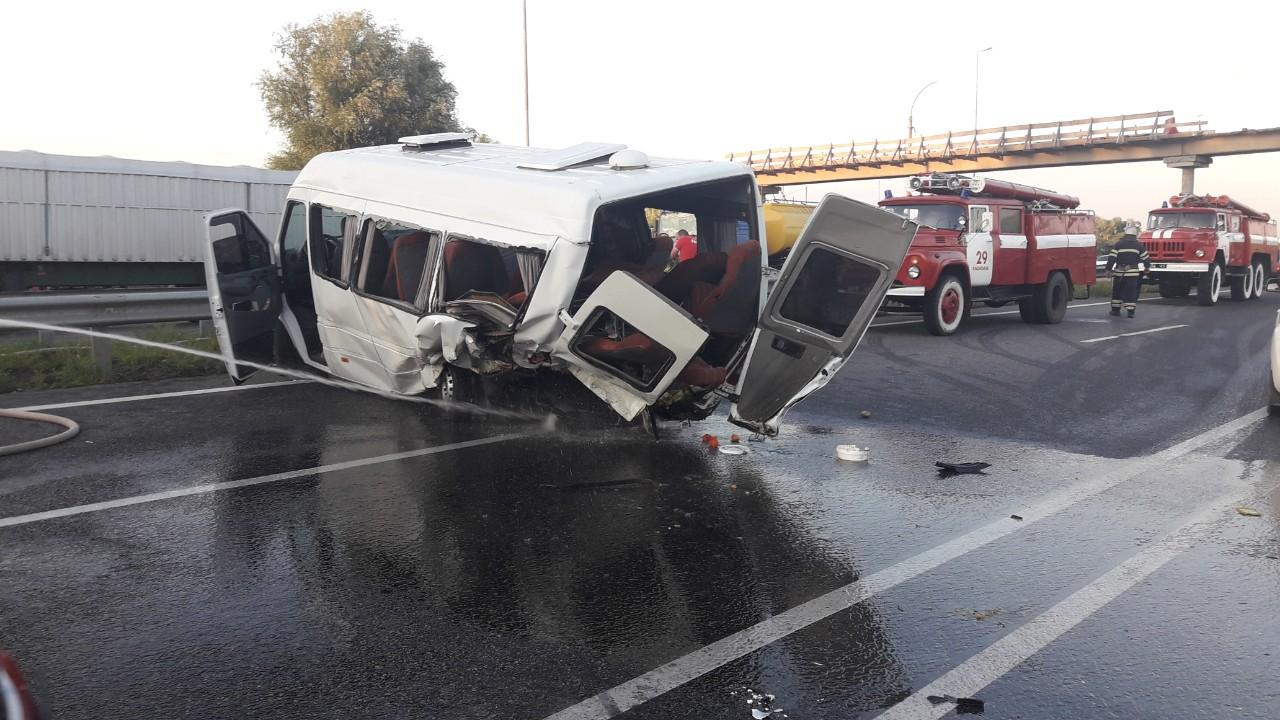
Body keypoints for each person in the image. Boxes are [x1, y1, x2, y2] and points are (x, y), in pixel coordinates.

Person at [1106, 222, 1150, 317]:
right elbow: (1146, 258)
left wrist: (1108, 270)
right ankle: (1130, 312)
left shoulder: (1118, 244)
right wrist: (1147, 268)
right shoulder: (1139, 245)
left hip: (1119, 273)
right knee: (1131, 292)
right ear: (1135, 234)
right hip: (1133, 274)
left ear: (1126, 233)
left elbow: (1111, 258)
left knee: (1117, 291)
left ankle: (1115, 310)